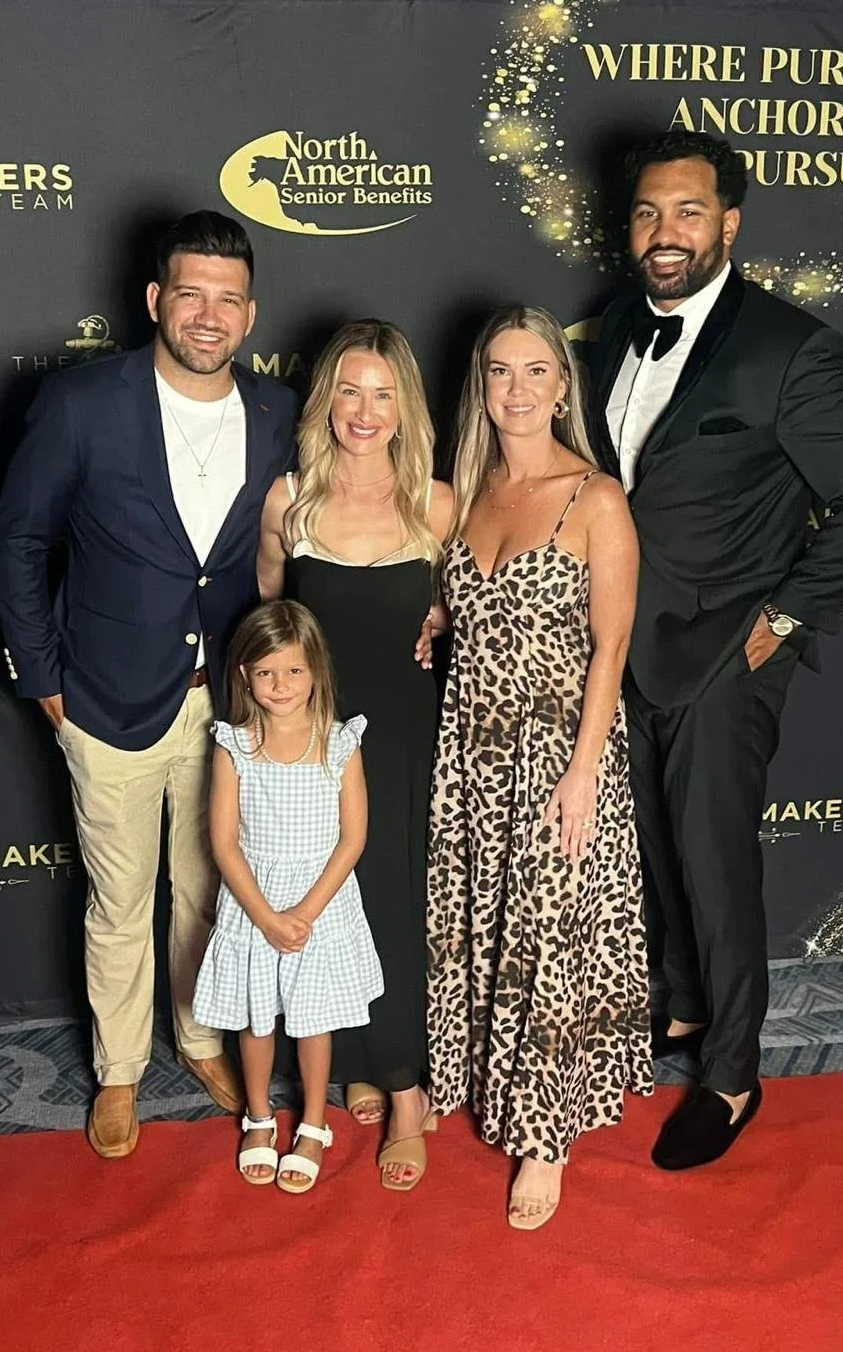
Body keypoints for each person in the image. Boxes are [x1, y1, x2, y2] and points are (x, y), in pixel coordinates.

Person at [586, 131, 843, 1171]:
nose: (664, 232)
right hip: (622, 646)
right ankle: (680, 1006)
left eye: (687, 212)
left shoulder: (790, 348)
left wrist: (785, 621)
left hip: (728, 653)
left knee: (715, 866)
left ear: (728, 224)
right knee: (647, 850)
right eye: (647, 212)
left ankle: (731, 1075)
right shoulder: (611, 331)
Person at [0, 211, 297, 1160]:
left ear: (250, 314)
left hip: (231, 702)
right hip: (106, 698)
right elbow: (17, 541)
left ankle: (200, 1039)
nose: (209, 315)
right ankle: (119, 1070)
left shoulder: (278, 412)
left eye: (228, 299)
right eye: (191, 294)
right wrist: (43, 675)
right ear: (157, 299)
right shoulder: (83, 401)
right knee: (119, 902)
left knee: (208, 889)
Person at [427, 305, 652, 1231]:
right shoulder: (466, 491)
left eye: (534, 371)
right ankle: (477, 1077)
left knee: (550, 936)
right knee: (483, 919)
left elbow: (612, 645)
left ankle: (546, 1139)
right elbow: (462, 601)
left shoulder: (594, 498)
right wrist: (436, 615)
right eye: (499, 371)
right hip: (469, 747)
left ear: (563, 386)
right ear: (480, 385)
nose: (515, 390)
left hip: (558, 749)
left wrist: (584, 771)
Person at [257, 320, 453, 1191]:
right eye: (349, 390)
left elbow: (470, 606)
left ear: (406, 407)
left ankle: (407, 1092)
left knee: (395, 901)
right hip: (318, 739)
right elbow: (269, 615)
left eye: (383, 394)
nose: (364, 412)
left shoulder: (438, 505)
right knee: (334, 901)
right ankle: (362, 1058)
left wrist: (441, 619)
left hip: (407, 734)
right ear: (325, 400)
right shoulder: (288, 500)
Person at [192, 601, 382, 1192]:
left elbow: (353, 839)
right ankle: (258, 1116)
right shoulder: (234, 745)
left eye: (294, 670)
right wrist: (266, 917)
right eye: (266, 672)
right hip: (254, 903)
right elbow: (224, 843)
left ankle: (314, 1124)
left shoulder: (340, 742)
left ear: (315, 672)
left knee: (313, 1019)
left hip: (320, 903)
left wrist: (303, 913)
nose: (281, 684)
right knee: (256, 1019)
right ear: (245, 675)